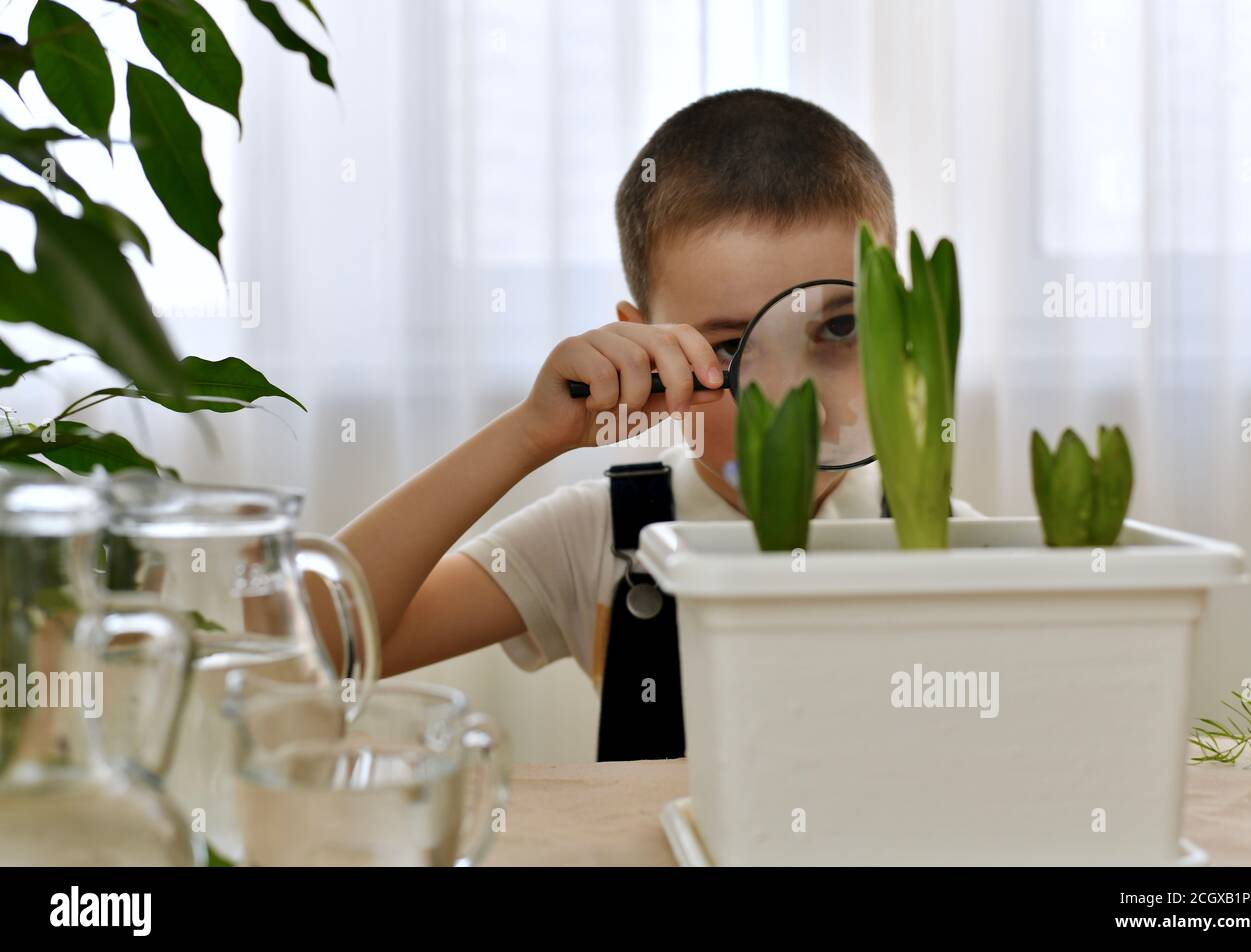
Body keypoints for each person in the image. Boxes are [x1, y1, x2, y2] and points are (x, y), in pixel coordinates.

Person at [333, 89, 977, 758]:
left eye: (839, 328)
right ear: (644, 346)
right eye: (730, 348)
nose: (795, 400)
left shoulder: (944, 537)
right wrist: (527, 435)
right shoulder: (602, 534)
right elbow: (313, 647)